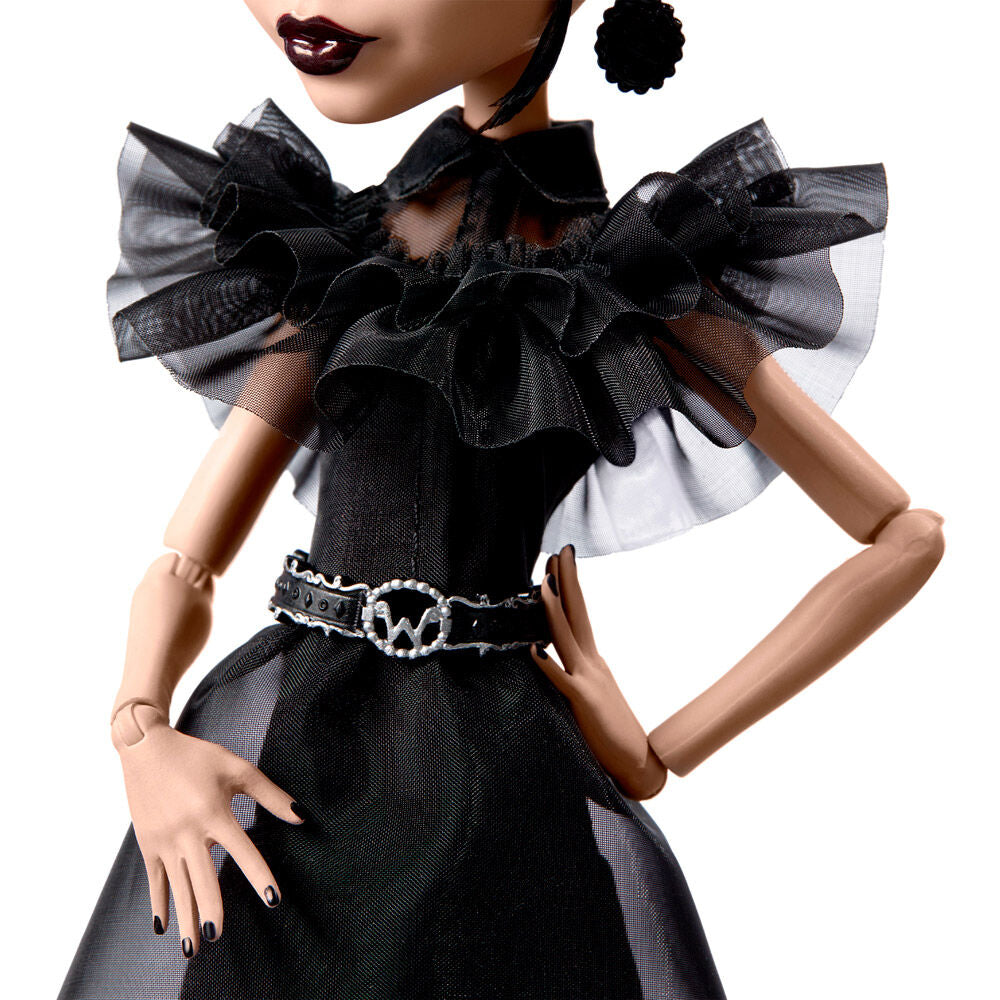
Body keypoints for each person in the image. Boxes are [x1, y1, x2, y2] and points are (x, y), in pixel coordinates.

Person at [58, 2, 945, 997]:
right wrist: (140, 729)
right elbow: (186, 560)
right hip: (295, 766)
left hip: (498, 786)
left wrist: (660, 751)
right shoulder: (338, 262)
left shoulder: (633, 278)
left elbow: (904, 536)